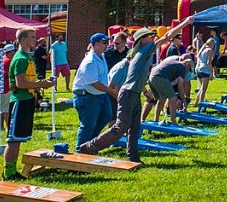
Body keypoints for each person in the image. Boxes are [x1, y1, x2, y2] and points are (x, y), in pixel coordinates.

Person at [78, 17, 192, 162]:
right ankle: (89, 147)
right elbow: (168, 36)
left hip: (134, 93)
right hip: (128, 94)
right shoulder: (145, 49)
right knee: (121, 127)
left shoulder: (142, 52)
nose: (153, 37)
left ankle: (133, 157)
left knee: (134, 128)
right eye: (150, 36)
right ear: (143, 40)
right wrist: (186, 23)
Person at [2, 27, 56, 180]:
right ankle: (8, 173)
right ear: (23, 40)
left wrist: (42, 82)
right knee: (13, 139)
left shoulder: (28, 56)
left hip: (27, 101)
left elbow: (29, 80)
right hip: (19, 101)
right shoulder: (20, 58)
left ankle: (12, 171)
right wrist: (41, 85)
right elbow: (20, 83)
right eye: (32, 37)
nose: (36, 39)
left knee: (19, 138)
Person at [72, 33, 117, 147]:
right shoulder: (90, 61)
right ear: (96, 44)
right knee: (88, 125)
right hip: (86, 96)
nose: (108, 44)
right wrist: (110, 91)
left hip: (99, 94)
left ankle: (90, 145)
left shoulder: (101, 56)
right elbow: (93, 82)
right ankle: (80, 150)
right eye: (105, 42)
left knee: (106, 116)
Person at [148, 56, 193, 124]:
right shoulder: (182, 67)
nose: (188, 71)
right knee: (173, 98)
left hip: (151, 76)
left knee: (161, 100)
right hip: (160, 77)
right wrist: (184, 101)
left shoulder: (173, 62)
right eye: (189, 69)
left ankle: (155, 121)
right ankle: (173, 122)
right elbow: (180, 87)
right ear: (187, 64)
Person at [195, 37, 215, 106]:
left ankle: (196, 102)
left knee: (201, 87)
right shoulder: (209, 50)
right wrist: (212, 73)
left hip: (198, 69)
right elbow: (209, 62)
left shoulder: (202, 49)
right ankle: (201, 103)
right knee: (204, 89)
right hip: (204, 69)